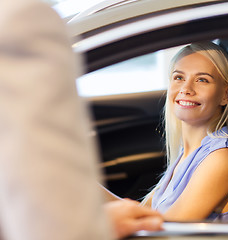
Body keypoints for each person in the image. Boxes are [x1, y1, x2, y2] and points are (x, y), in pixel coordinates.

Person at [0, 0, 162, 240]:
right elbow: (56, 229)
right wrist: (98, 222)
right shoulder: (19, 19)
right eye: (178, 77)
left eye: (202, 79)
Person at [141, 42, 228, 223]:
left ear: (225, 95)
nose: (186, 89)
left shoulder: (223, 159)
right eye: (179, 77)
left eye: (202, 80)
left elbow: (162, 235)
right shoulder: (187, 153)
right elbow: (139, 216)